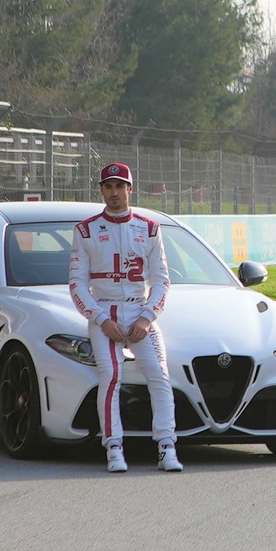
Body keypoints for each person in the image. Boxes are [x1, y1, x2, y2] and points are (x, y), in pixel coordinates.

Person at [68, 162, 180, 473]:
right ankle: (114, 447)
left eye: (120, 186)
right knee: (111, 376)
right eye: (108, 186)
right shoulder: (85, 230)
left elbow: (162, 280)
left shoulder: (150, 228)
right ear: (102, 190)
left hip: (139, 311)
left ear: (130, 189)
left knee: (159, 375)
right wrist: (100, 319)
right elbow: (77, 283)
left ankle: (167, 446)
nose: (114, 192)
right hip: (104, 312)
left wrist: (147, 317)